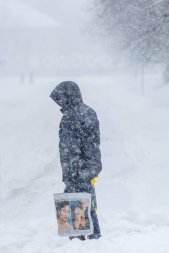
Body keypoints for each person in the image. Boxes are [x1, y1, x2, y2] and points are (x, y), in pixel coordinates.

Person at [50, 81, 102, 240]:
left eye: (60, 99)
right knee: (88, 205)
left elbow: (70, 149)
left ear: (67, 97)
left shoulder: (70, 117)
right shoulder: (89, 112)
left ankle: (79, 243)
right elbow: (92, 143)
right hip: (89, 167)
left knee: (75, 211)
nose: (59, 103)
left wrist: (71, 174)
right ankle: (94, 240)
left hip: (77, 170)